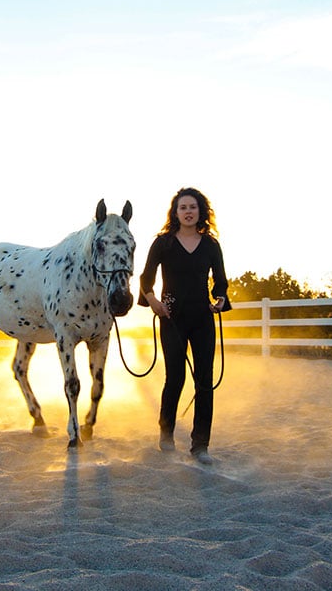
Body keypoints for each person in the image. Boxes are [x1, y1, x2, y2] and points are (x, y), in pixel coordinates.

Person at [138, 187, 231, 465]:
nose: (188, 211)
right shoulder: (163, 243)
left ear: (201, 211)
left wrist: (221, 298)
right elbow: (145, 279)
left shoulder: (211, 245)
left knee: (205, 381)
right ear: (175, 212)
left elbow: (221, 281)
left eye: (193, 207)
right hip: (172, 318)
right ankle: (166, 433)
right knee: (175, 378)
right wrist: (152, 300)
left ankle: (200, 445)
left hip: (203, 318)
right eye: (183, 207)